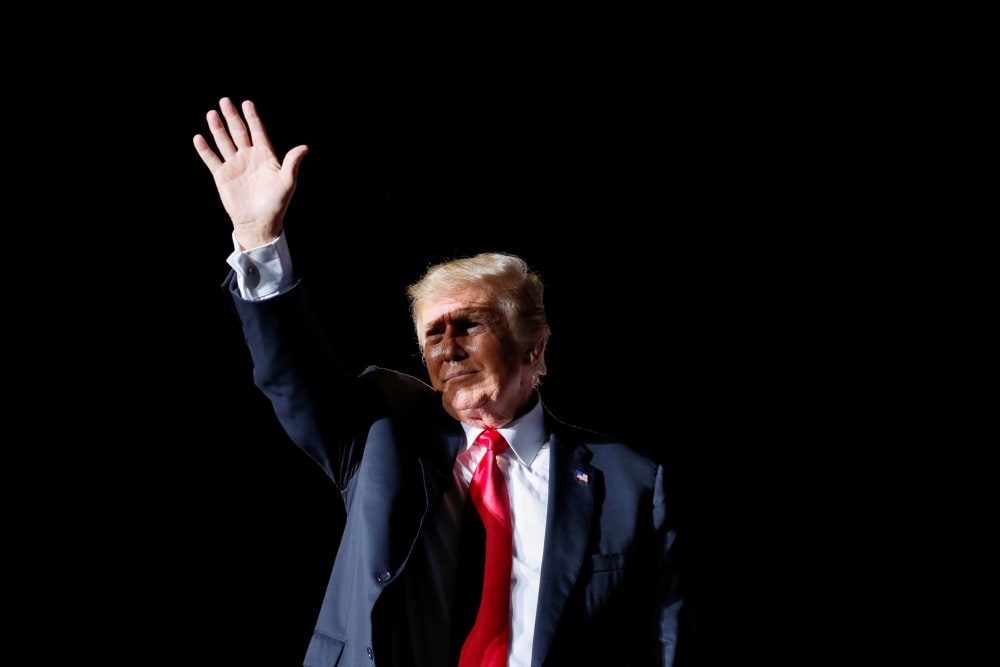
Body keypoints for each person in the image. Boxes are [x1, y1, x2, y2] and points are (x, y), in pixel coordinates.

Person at [193, 96, 684, 667]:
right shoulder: (383, 430)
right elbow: (292, 376)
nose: (448, 349)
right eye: (432, 336)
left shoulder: (632, 482)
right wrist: (260, 240)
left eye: (469, 325)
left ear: (535, 345)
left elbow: (665, 643)